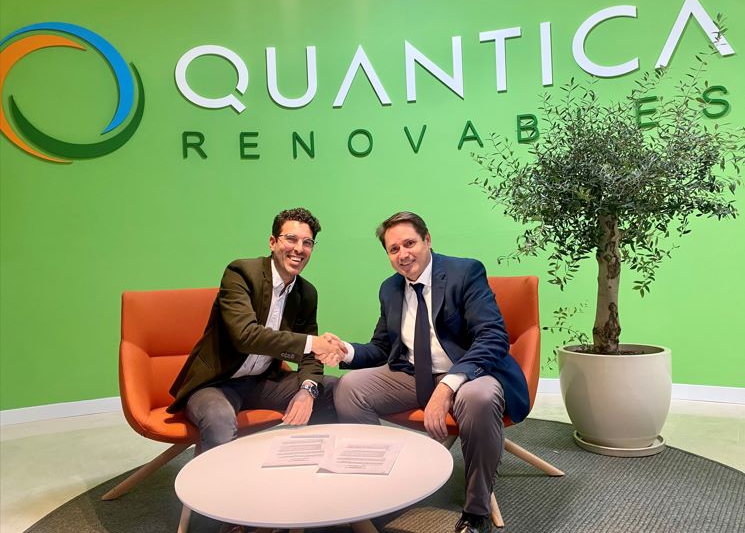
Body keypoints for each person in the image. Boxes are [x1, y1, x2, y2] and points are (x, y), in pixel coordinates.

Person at [333, 211, 529, 533]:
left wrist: (448, 386)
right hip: (414, 374)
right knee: (350, 388)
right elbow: (382, 347)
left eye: (409, 243)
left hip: (470, 373)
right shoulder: (390, 289)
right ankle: (378, 490)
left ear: (427, 240)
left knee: (479, 399)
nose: (403, 254)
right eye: (393, 249)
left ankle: (476, 511)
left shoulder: (465, 272)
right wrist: (346, 350)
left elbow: (492, 336)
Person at [167, 207, 345, 454]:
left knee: (335, 389)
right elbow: (246, 336)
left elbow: (310, 357)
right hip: (216, 383)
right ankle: (218, 479)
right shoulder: (241, 273)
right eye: (291, 239)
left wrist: (307, 390)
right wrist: (312, 342)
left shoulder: (306, 293)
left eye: (307, 243)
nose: (299, 249)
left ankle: (314, 463)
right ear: (272, 242)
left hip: (262, 382)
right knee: (219, 418)